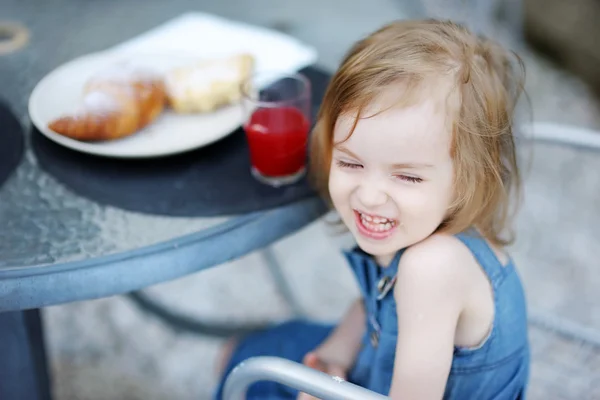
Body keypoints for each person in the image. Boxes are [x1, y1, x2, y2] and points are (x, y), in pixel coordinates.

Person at [215, 19, 529, 400]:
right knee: (244, 351)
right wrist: (335, 355)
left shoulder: (432, 268)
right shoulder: (422, 220)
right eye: (350, 163)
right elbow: (375, 308)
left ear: (466, 180)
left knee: (243, 374)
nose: (370, 196)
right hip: (378, 364)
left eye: (407, 177)